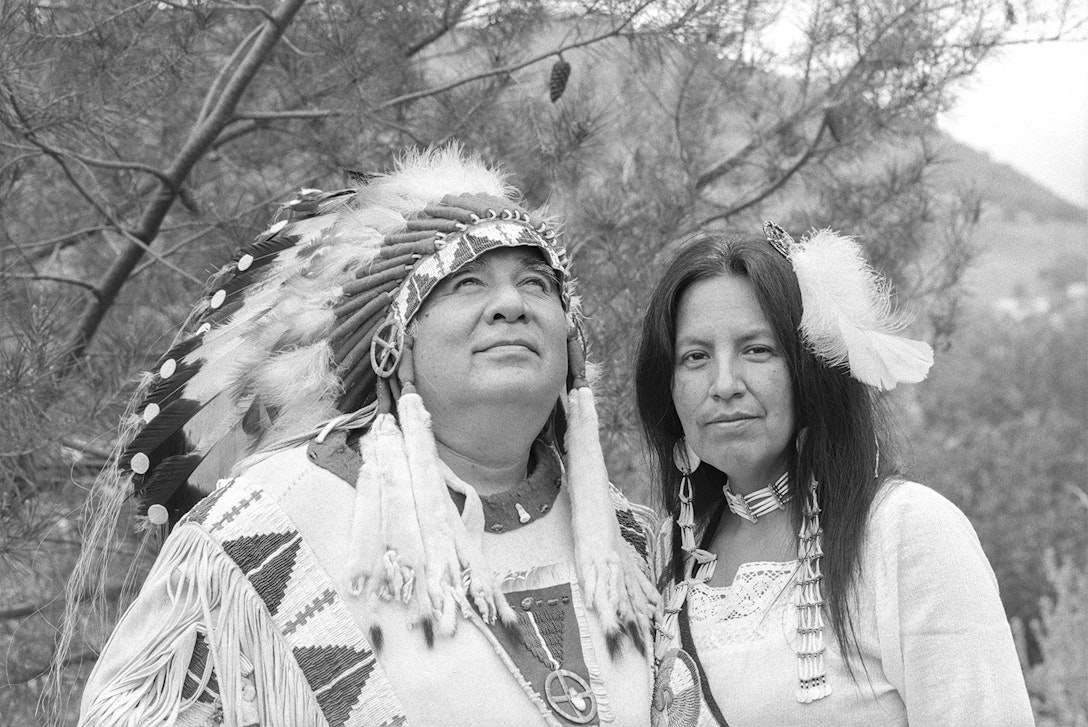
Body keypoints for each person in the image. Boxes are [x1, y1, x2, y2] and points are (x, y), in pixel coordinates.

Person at [68, 146, 659, 726]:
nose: (510, 304)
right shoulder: (272, 522)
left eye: (535, 283)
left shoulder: (629, 545)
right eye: (465, 284)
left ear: (572, 345)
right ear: (396, 344)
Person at [635, 227, 1033, 726]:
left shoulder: (905, 532)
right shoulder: (661, 558)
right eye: (695, 357)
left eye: (757, 350)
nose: (724, 385)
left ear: (812, 368)